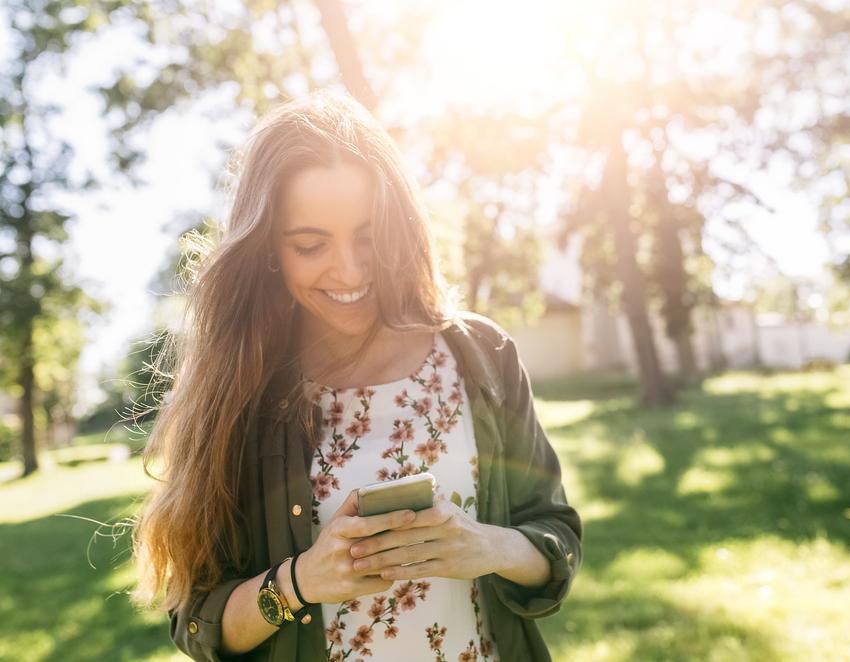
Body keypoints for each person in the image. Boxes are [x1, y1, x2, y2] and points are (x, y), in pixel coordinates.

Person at [130, 90, 582, 662]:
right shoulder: (239, 389)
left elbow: (556, 536)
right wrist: (299, 583)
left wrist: (486, 545)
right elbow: (197, 622)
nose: (348, 269)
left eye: (368, 235)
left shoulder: (481, 354)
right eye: (311, 244)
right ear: (270, 247)